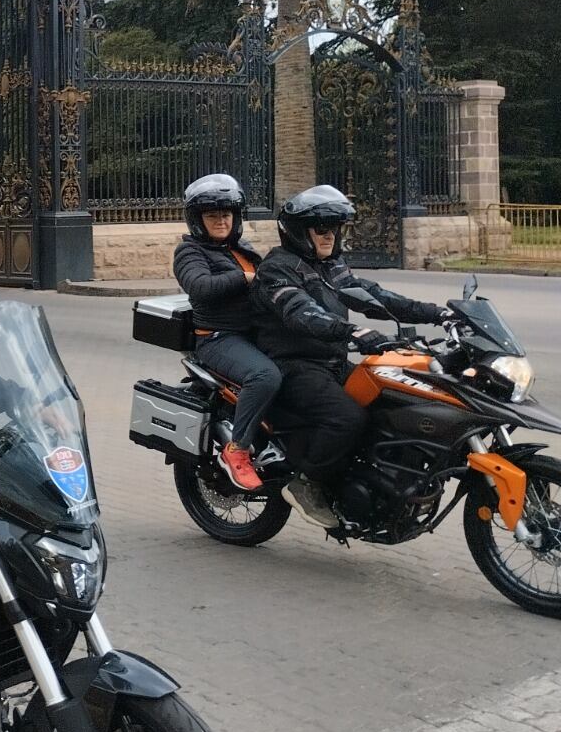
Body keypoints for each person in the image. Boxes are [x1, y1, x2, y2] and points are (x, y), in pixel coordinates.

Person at [252, 185, 449, 528]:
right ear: (299, 232)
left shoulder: (331, 265)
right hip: (294, 366)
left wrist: (439, 314)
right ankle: (307, 484)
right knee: (347, 418)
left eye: (335, 228)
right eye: (322, 229)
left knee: (391, 402)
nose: (330, 236)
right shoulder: (276, 270)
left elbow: (374, 296)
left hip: (331, 362)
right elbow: (301, 313)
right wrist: (353, 332)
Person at [172, 174, 279, 492]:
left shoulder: (241, 249)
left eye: (226, 214)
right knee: (265, 376)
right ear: (198, 220)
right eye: (212, 215)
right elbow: (199, 286)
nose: (220, 220)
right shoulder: (190, 252)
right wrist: (245, 278)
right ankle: (238, 449)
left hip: (255, 334)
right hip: (218, 338)